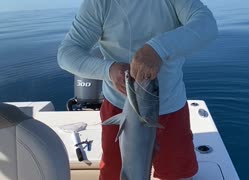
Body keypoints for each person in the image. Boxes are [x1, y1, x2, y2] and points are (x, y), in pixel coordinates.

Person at [57, 0, 218, 179]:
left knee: (176, 174)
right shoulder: (99, 3)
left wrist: (157, 48)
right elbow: (67, 53)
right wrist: (109, 70)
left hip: (170, 107)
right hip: (119, 109)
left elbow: (206, 25)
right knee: (115, 174)